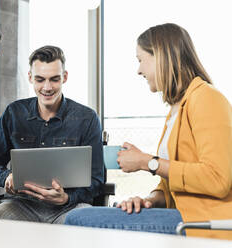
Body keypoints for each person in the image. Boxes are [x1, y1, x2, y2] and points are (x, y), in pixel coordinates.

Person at [65, 23, 232, 240]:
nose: (139, 70)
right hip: (182, 215)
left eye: (141, 59)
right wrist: (151, 200)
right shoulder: (177, 108)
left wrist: (147, 162)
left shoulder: (207, 99)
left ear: (161, 57)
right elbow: (173, 183)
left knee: (76, 220)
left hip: (203, 222)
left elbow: (217, 180)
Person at [0, 45, 104, 224]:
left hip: (69, 206)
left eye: (54, 79)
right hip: (21, 204)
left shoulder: (87, 118)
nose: (47, 87)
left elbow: (97, 180)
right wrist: (6, 177)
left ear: (65, 77)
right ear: (30, 78)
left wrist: (66, 198)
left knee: (86, 225)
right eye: (40, 79)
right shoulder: (14, 113)